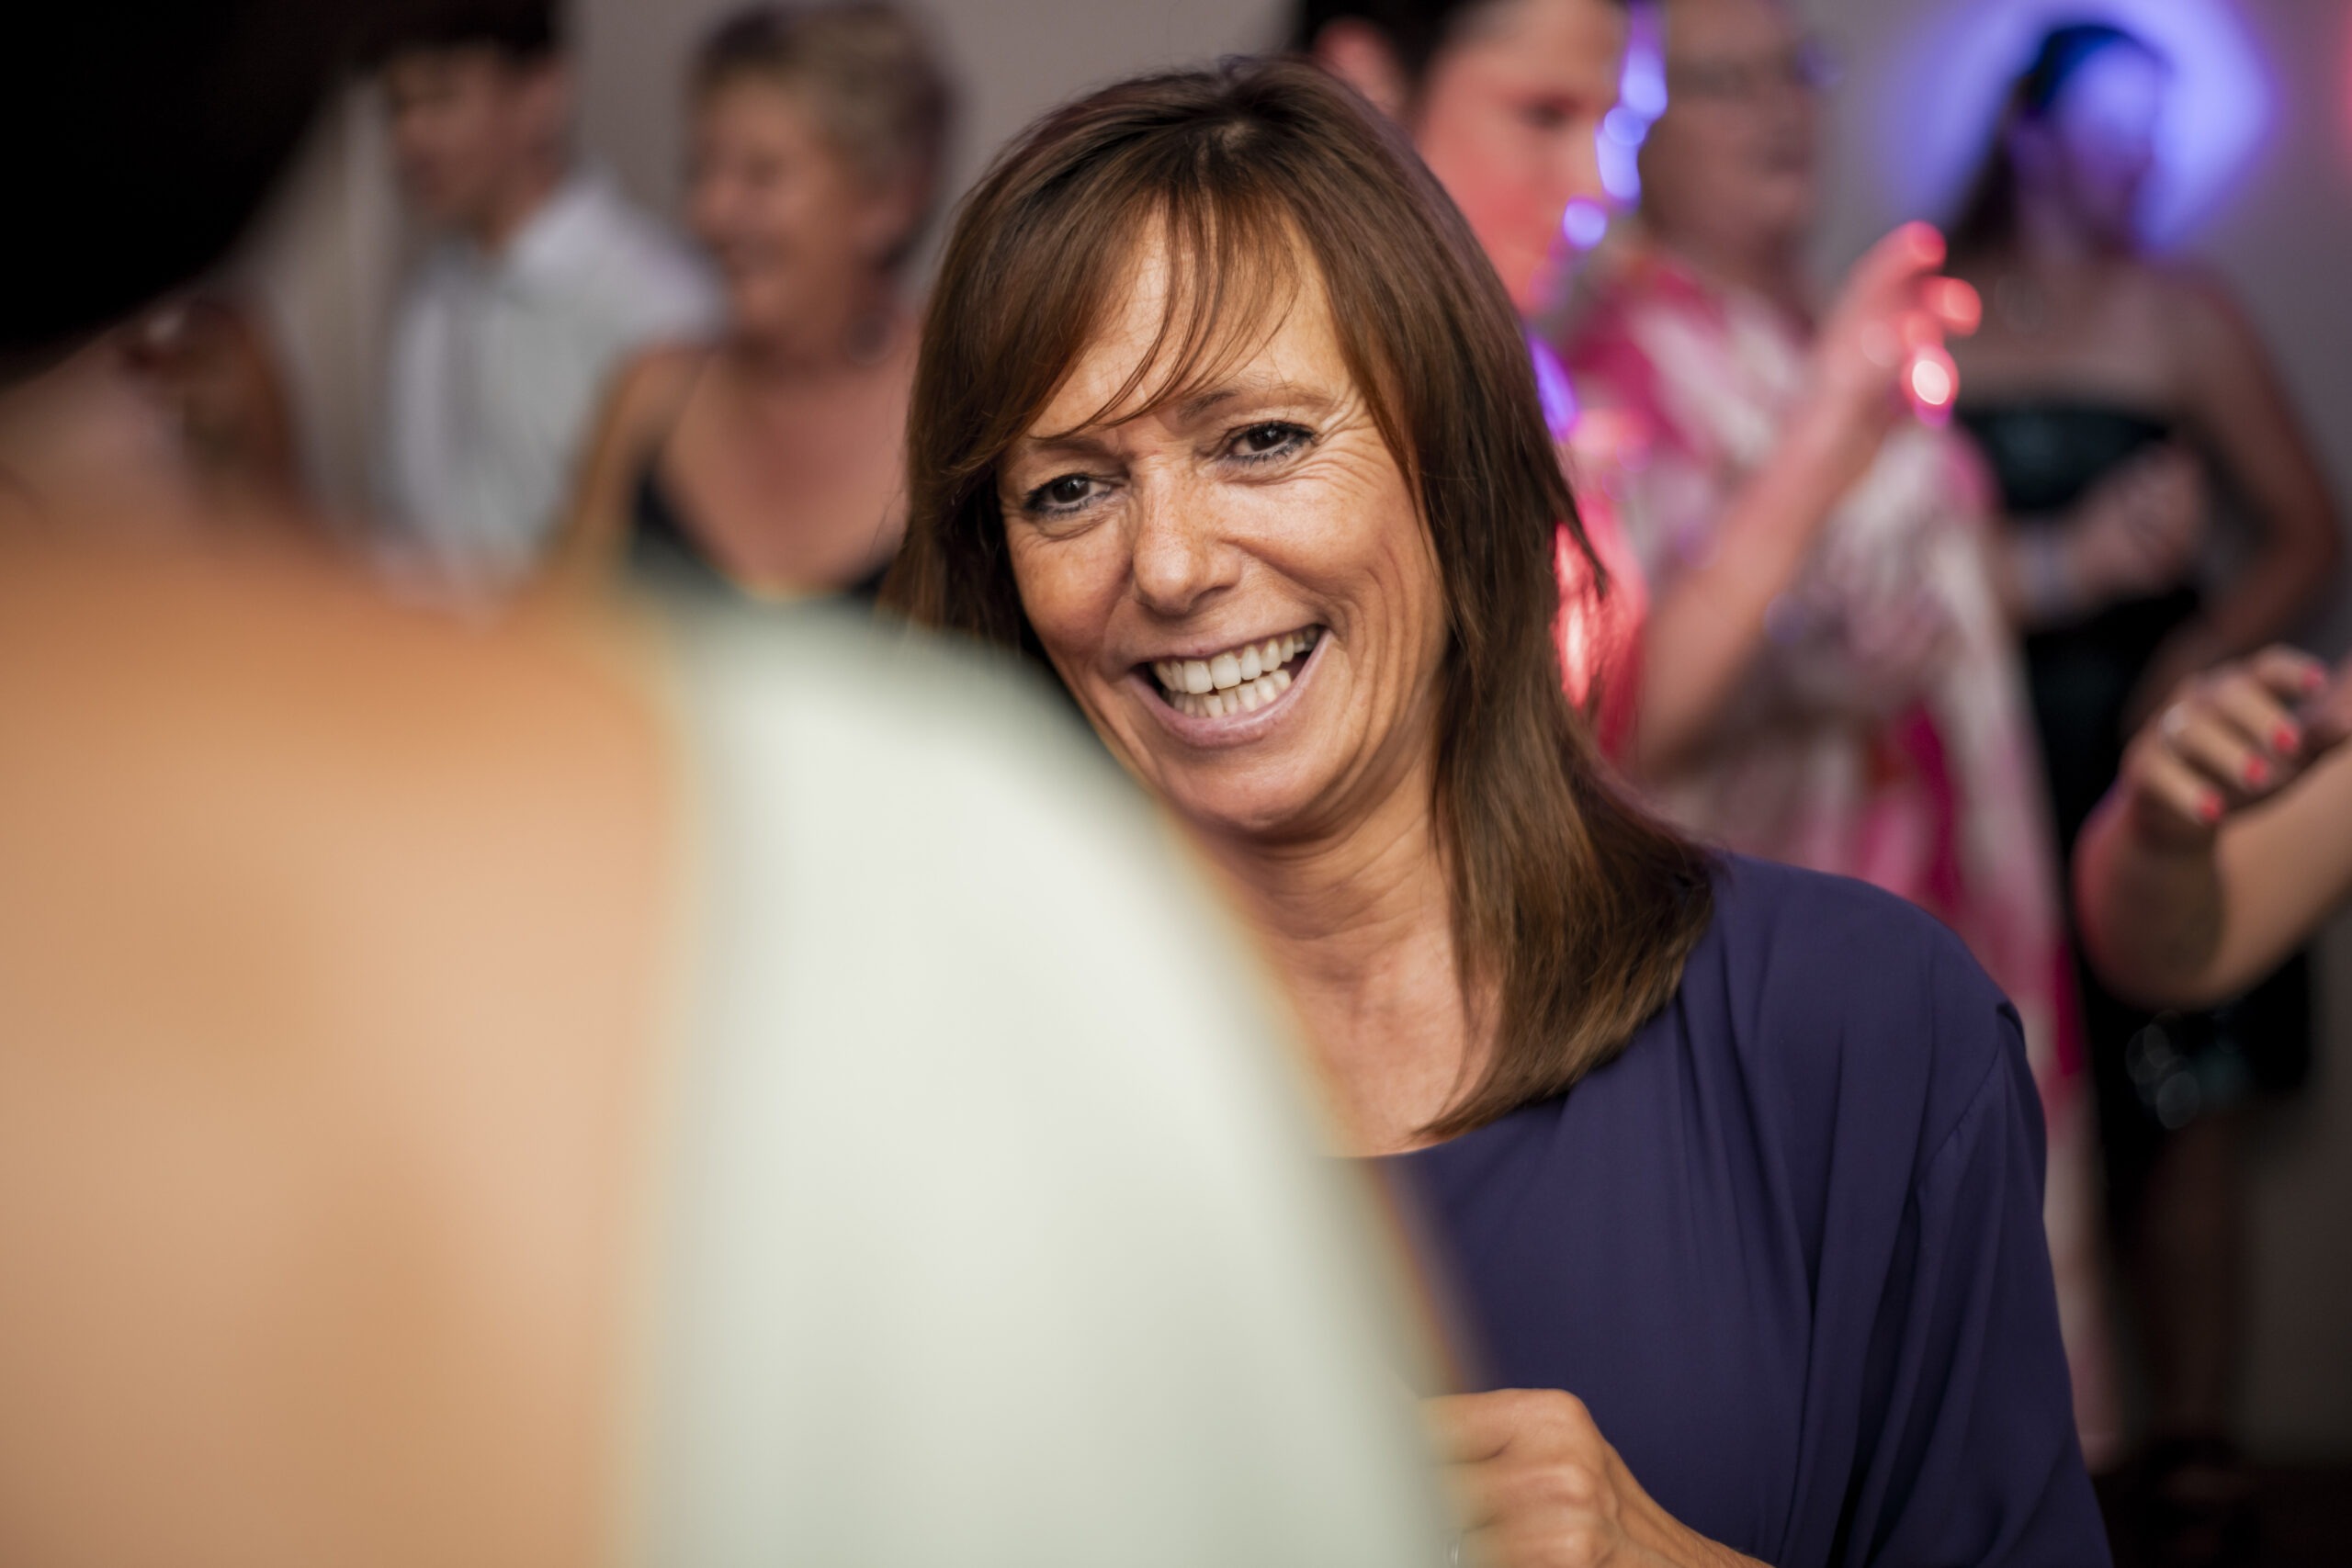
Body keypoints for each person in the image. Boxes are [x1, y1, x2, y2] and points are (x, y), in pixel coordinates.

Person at [0, 8, 1458, 1562]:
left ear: (883, 195)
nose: (1166, 558)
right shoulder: (670, 456)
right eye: (1073, 490)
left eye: (762, 172)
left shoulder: (986, 892)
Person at [888, 57, 2107, 1565]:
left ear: (1455, 464)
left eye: (1259, 440)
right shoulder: (918, 1111)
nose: (1173, 564)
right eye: (1071, 488)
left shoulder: (1856, 1031)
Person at [1551, 0, 2115, 1460]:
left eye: (1794, 68)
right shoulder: (1610, 371)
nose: (1778, 109)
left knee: (1964, 1380)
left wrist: (2080, 562)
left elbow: (1932, 590)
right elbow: (1627, 707)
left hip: (1948, 865)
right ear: (1638, 132)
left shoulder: (1829, 319)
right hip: (1773, 903)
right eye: (1723, 81)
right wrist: (1801, 649)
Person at [1948, 25, 2342, 1541]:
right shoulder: (1931, 308)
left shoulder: (2185, 314)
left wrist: (2197, 653)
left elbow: (2307, 526)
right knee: (2001, 1088)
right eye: (2110, 125)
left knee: (2183, 1088)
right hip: (1988, 746)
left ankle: (2190, 1441)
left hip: (2153, 740)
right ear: (2030, 134)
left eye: (2153, 131)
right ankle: (2020, 1450)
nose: (2137, 159)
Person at [553, 3, 945, 604]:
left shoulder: (962, 408)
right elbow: (557, 632)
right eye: (701, 171)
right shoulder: (651, 399)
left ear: (887, 199)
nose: (710, 213)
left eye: (761, 175)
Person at [375, 0, 717, 593]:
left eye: (441, 99)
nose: (411, 136)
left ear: (543, 91)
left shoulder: (658, 307)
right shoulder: (430, 296)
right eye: (396, 107)